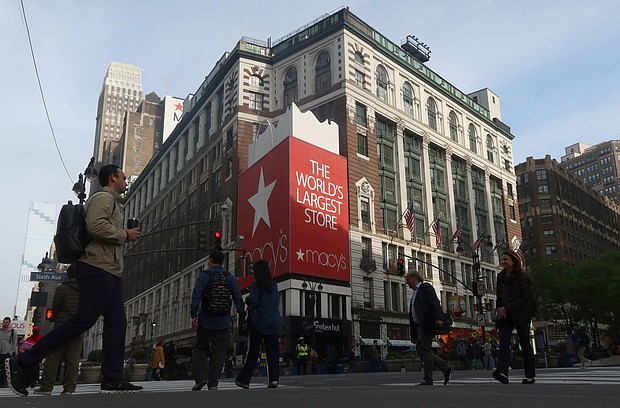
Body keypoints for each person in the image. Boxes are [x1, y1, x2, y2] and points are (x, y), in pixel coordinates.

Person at [4, 164, 143, 396]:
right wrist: (123, 234)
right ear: (112, 178)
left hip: (111, 270)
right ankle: (23, 361)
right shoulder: (102, 198)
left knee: (117, 322)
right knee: (83, 321)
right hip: (98, 268)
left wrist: (123, 237)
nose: (125, 182)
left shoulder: (113, 203)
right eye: (123, 177)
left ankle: (112, 378)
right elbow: (96, 225)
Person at [190, 249, 244, 391]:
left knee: (201, 348)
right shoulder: (229, 277)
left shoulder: (204, 276)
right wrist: (241, 313)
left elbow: (196, 295)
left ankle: (201, 378)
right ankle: (213, 382)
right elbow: (237, 296)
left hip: (206, 320)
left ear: (210, 260)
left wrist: (193, 314)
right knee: (219, 352)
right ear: (223, 262)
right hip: (223, 321)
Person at [235, 259, 284, 389]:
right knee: (273, 353)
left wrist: (248, 299)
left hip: (258, 323)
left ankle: (244, 380)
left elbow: (253, 301)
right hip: (272, 323)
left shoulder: (257, 286)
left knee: (253, 352)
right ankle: (274, 379)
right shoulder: (273, 285)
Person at [34, 265, 82, 395]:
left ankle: (46, 387)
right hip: (77, 328)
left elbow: (55, 307)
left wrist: (54, 318)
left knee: (53, 357)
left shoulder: (62, 289)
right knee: (73, 360)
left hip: (61, 327)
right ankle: (69, 388)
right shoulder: (85, 290)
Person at [493, 250, 536, 385]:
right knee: (504, 341)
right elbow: (499, 295)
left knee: (524, 343)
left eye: (506, 259)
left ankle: (529, 376)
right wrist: (500, 311)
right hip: (506, 314)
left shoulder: (521, 277)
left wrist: (508, 307)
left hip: (522, 313)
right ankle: (502, 373)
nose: (503, 262)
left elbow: (525, 299)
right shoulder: (500, 276)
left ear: (513, 261)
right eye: (502, 259)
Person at [405, 270, 453, 386]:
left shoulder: (425, 287)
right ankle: (445, 367)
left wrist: (439, 317)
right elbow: (413, 314)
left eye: (408, 280)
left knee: (424, 349)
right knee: (421, 349)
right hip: (419, 326)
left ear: (414, 277)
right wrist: (413, 335)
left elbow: (434, 302)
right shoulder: (415, 294)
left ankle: (429, 378)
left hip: (426, 324)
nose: (407, 283)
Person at [1, 317, 18, 387]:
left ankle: (6, 383)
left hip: (7, 353)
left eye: (7, 322)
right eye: (4, 322)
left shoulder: (12, 332)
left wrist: (11, 352)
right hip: (0, 353)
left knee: (6, 369)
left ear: (9, 323)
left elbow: (14, 343)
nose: (5, 324)